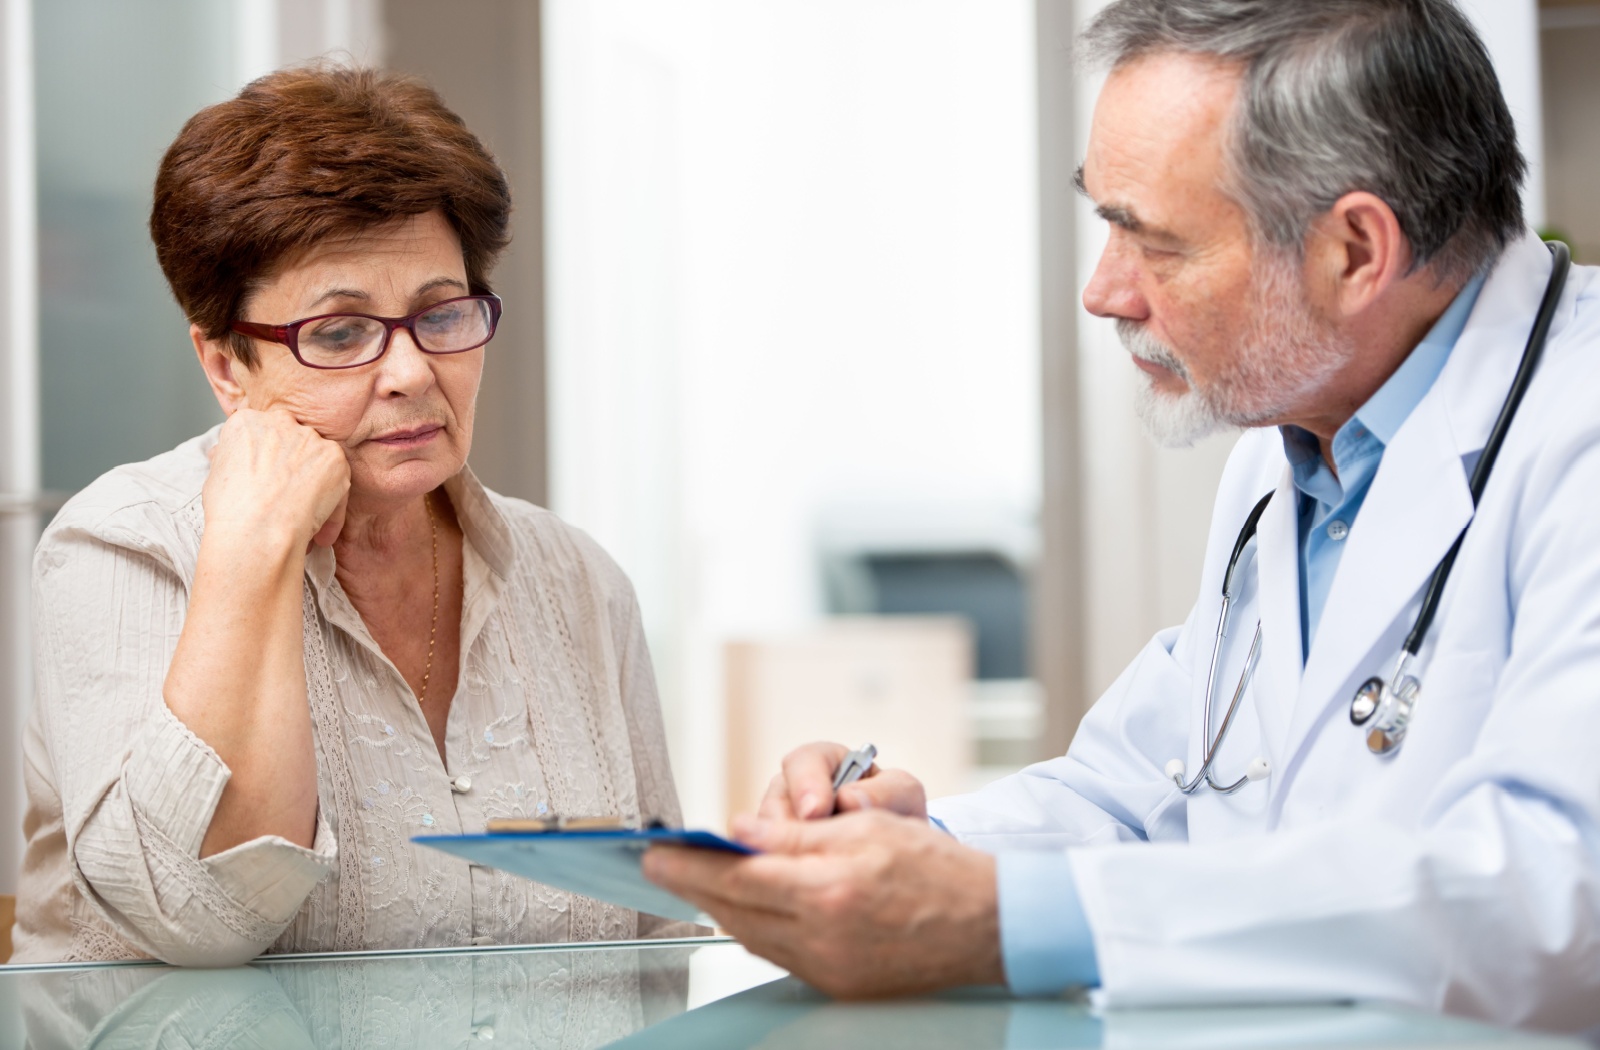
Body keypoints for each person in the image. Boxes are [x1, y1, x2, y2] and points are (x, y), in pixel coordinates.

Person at [643, 0, 1600, 1030]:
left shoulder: (1572, 435)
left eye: (1155, 243)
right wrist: (911, 848)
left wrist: (999, 916)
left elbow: (1547, 898)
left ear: (1356, 251)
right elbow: (1143, 794)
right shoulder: (1291, 463)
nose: (1104, 292)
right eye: (1105, 224)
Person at [14, 67, 687, 965]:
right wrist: (252, 545)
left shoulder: (578, 580)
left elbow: (660, 938)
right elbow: (189, 919)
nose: (411, 371)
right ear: (225, 369)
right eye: (339, 334)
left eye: (441, 314)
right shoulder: (122, 547)